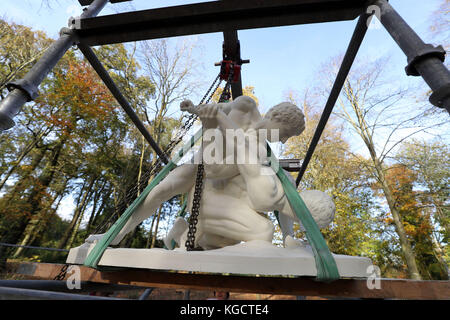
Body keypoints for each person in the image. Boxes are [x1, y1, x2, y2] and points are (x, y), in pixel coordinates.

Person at [85, 96, 334, 249]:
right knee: (161, 188)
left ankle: (188, 231)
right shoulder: (246, 106)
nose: (284, 139)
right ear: (274, 116)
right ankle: (114, 234)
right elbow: (218, 108)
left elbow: (285, 198)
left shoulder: (260, 151)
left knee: (226, 230)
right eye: (286, 132)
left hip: (215, 173)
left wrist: (289, 236)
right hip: (202, 162)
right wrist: (195, 109)